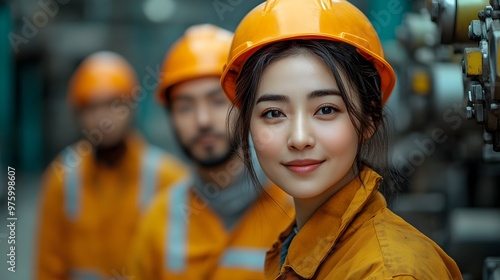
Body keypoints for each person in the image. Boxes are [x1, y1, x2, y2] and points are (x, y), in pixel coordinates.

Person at [220, 0, 463, 279]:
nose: (299, 138)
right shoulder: (296, 250)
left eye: (326, 110)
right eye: (274, 113)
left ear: (369, 118)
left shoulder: (389, 272)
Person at [127, 24, 294, 279]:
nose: (202, 120)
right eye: (185, 107)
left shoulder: (296, 208)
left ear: (247, 106)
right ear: (170, 117)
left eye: (217, 101)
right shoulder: (159, 220)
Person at [36, 51, 188, 280]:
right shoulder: (62, 177)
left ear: (131, 107)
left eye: (112, 104)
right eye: (91, 107)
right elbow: (48, 266)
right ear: (77, 113)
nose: (102, 117)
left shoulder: (169, 176)